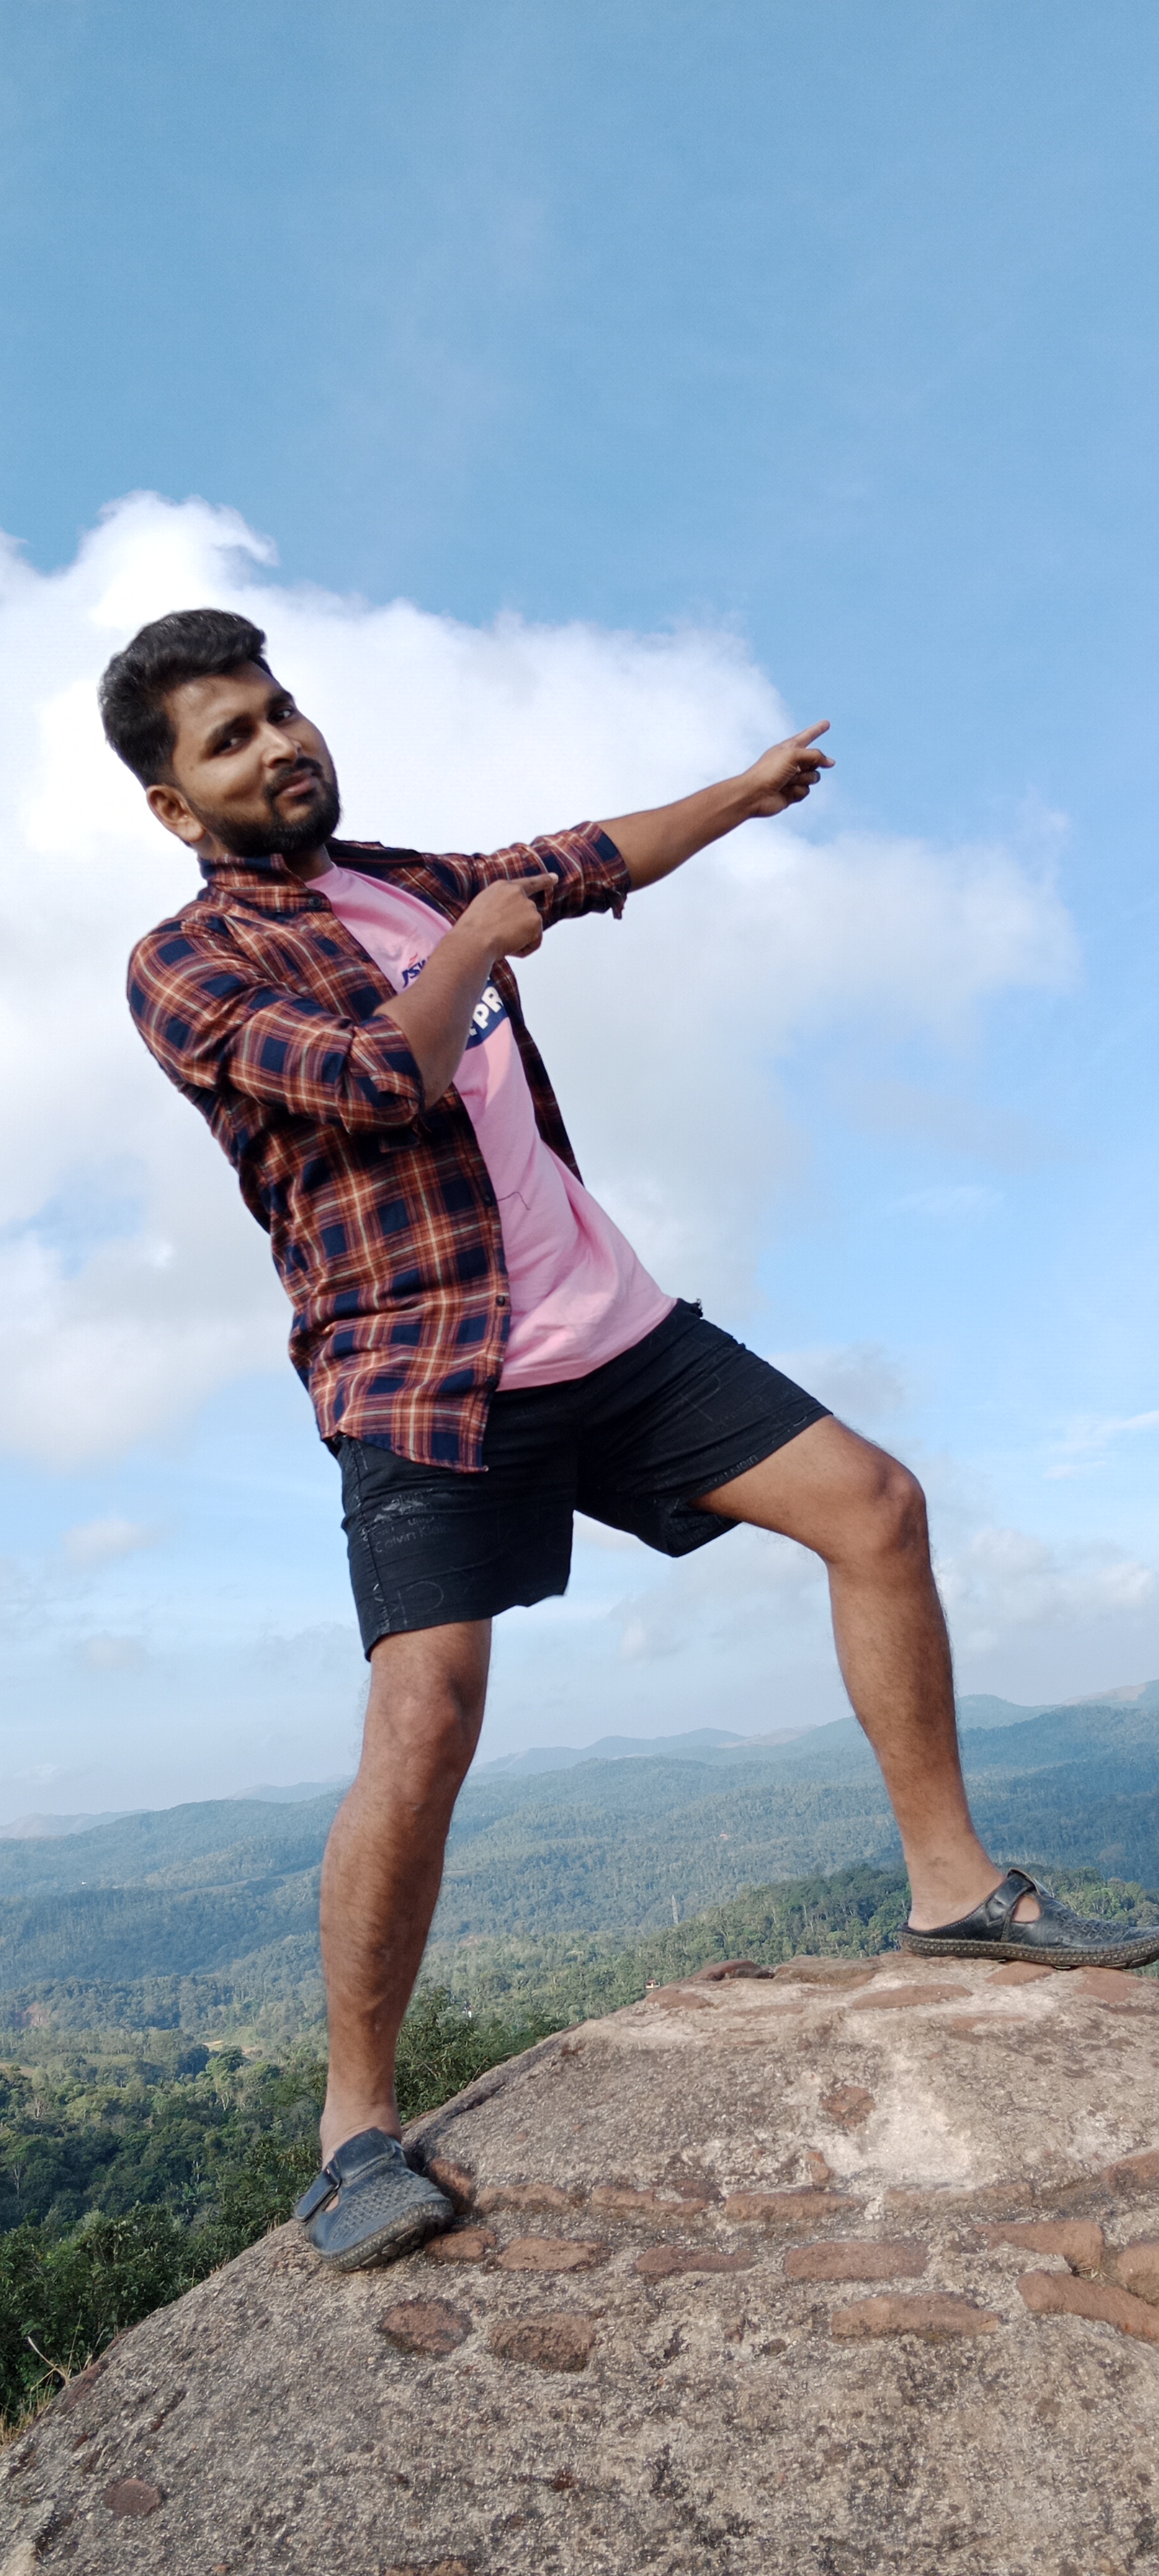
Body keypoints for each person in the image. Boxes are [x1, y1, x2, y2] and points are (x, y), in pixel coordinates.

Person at [101, 607, 1159, 2270]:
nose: (280, 743)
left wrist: (741, 793)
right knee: (427, 1716)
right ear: (175, 805)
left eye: (281, 709)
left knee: (874, 1506)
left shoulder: (405, 879)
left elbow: (589, 859)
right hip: (426, 1373)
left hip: (615, 1337)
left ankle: (954, 1890)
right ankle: (353, 2127)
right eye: (230, 738)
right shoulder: (186, 966)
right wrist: (477, 942)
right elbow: (378, 1077)